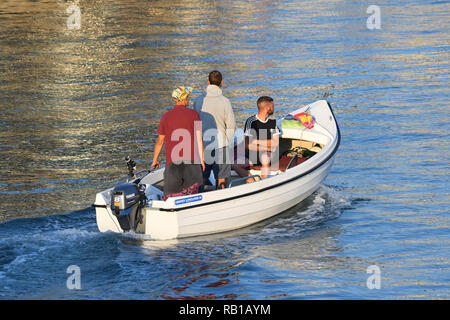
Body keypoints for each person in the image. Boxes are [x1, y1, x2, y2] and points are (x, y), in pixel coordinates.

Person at [151, 86, 205, 197]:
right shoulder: (194, 114)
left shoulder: (165, 117)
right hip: (192, 162)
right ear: (184, 98)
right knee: (195, 196)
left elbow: (160, 142)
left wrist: (155, 160)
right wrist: (202, 160)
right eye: (188, 97)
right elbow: (199, 140)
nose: (188, 99)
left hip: (172, 163)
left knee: (171, 198)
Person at [193, 70, 236, 189]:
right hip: (221, 144)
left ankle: (200, 198)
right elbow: (231, 126)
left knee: (202, 176)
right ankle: (221, 198)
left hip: (203, 145)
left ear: (208, 82)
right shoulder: (225, 101)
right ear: (221, 82)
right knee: (222, 176)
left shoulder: (198, 101)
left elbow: (195, 124)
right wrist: (226, 141)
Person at [232, 96, 280, 182]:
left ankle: (264, 184)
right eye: (273, 106)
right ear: (267, 108)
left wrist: (255, 142)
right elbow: (247, 145)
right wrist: (266, 146)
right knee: (234, 164)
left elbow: (275, 143)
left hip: (268, 154)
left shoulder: (273, 121)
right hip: (253, 155)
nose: (274, 108)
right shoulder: (251, 121)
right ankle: (253, 184)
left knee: (265, 157)